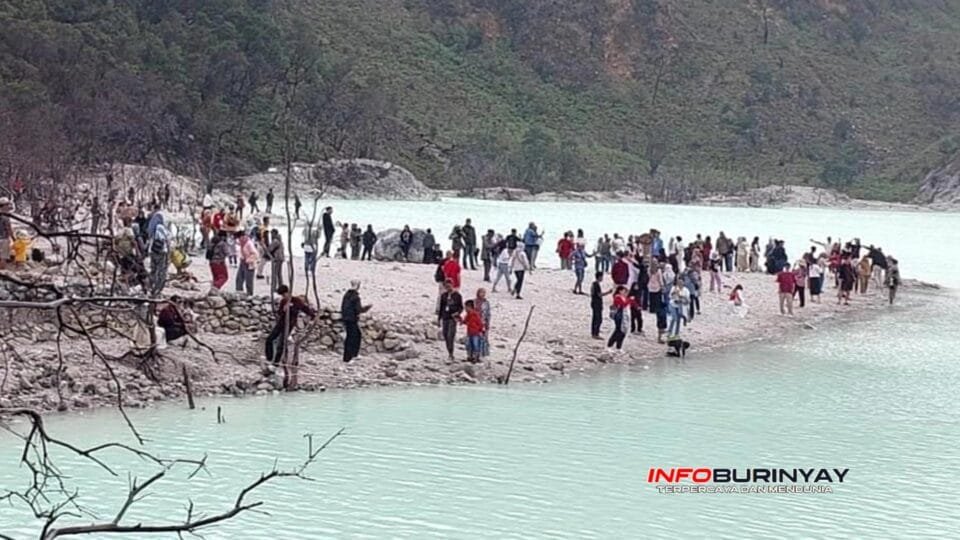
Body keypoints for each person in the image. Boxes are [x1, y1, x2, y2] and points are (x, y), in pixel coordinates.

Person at [265, 285, 317, 366]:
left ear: (287, 292)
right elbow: (279, 313)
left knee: (281, 344)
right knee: (269, 339)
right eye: (282, 295)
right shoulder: (283, 301)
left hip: (289, 324)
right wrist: (283, 310)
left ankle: (276, 363)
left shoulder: (297, 301)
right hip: (281, 323)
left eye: (284, 294)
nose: (283, 296)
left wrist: (313, 316)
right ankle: (269, 358)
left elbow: (305, 309)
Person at [341, 280, 372, 362]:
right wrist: (367, 308)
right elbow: (358, 310)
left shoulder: (346, 295)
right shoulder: (355, 297)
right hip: (352, 319)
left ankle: (350, 356)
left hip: (346, 318)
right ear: (358, 286)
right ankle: (350, 357)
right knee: (353, 337)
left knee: (352, 336)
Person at [438, 280, 464, 361]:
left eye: (449, 286)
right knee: (445, 335)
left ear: (452, 285)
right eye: (446, 287)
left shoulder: (457, 295)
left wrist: (457, 313)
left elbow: (461, 307)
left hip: (453, 318)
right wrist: (439, 319)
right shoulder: (443, 295)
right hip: (445, 317)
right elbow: (441, 307)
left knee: (450, 336)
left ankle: (451, 354)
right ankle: (449, 351)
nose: (448, 288)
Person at [147, 214, 170, 297]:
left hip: (153, 251)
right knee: (161, 271)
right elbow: (166, 239)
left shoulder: (151, 229)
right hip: (161, 252)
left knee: (153, 269)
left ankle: (151, 287)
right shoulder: (161, 228)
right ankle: (157, 289)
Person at [607, 286, 632, 352]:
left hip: (625, 316)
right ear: (620, 291)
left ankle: (619, 347)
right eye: (624, 291)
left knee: (623, 332)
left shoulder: (625, 298)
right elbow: (622, 305)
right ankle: (609, 345)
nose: (625, 292)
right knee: (618, 330)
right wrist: (629, 300)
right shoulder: (617, 297)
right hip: (619, 316)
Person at [235, 231, 257, 295]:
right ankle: (239, 293)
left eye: (239, 238)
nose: (239, 239)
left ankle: (250, 294)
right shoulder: (241, 243)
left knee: (249, 281)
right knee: (239, 279)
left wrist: (248, 260)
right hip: (242, 262)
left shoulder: (249, 243)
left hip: (249, 264)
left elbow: (255, 254)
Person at [590, 272, 610, 339]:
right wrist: (608, 292)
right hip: (597, 303)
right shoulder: (596, 285)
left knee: (595, 318)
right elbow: (599, 294)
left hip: (594, 302)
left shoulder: (594, 284)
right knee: (598, 319)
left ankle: (594, 332)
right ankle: (596, 333)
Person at [475, 288, 491, 358]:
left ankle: (481, 353)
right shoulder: (474, 302)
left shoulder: (486, 303)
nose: (483, 294)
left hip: (483, 322)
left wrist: (487, 322)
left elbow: (488, 313)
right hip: (475, 322)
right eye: (481, 292)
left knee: (483, 338)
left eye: (484, 293)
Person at [0, 197, 15, 270]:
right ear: (4, 205)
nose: (9, 206)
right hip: (4, 239)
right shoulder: (5, 216)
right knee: (4, 257)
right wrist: (14, 238)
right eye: (7, 204)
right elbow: (9, 229)